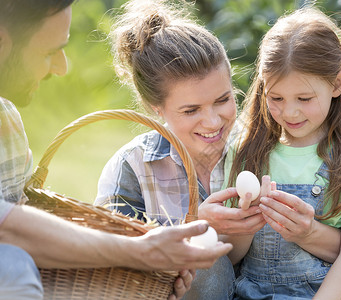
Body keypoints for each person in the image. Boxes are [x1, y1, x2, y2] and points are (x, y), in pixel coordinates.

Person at [95, 1, 341, 299]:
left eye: (223, 100)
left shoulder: (251, 144)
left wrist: (308, 232)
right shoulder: (133, 167)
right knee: (206, 265)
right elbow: (105, 267)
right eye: (190, 110)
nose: (212, 122)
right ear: (154, 108)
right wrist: (199, 226)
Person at [0, 1, 232, 300]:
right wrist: (141, 251)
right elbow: (10, 229)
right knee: (13, 266)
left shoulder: (7, 123)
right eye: (48, 51)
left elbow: (26, 226)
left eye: (222, 100)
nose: (62, 67)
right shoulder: (132, 166)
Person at [223, 6, 341, 300]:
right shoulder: (247, 151)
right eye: (276, 97)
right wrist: (246, 222)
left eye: (304, 98)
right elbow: (232, 258)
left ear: (337, 84)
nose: (289, 111)